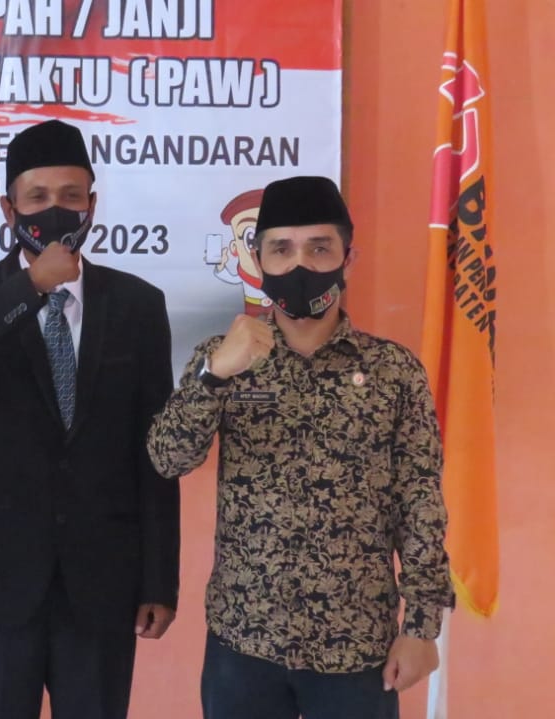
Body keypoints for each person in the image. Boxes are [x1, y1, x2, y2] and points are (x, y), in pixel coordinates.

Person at [147, 176, 454, 719]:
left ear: (348, 259)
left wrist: (422, 627)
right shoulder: (222, 357)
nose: (299, 265)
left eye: (319, 248)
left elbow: (420, 503)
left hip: (357, 646)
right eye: (282, 249)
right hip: (245, 639)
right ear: (259, 260)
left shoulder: (393, 371)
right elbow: (167, 458)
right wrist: (214, 375)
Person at [0, 119, 179, 718]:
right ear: (8, 208)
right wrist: (27, 290)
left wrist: (160, 580)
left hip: (103, 580)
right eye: (37, 197)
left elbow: (155, 451)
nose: (55, 210)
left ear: (92, 204)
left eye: (70, 195)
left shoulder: (137, 305)